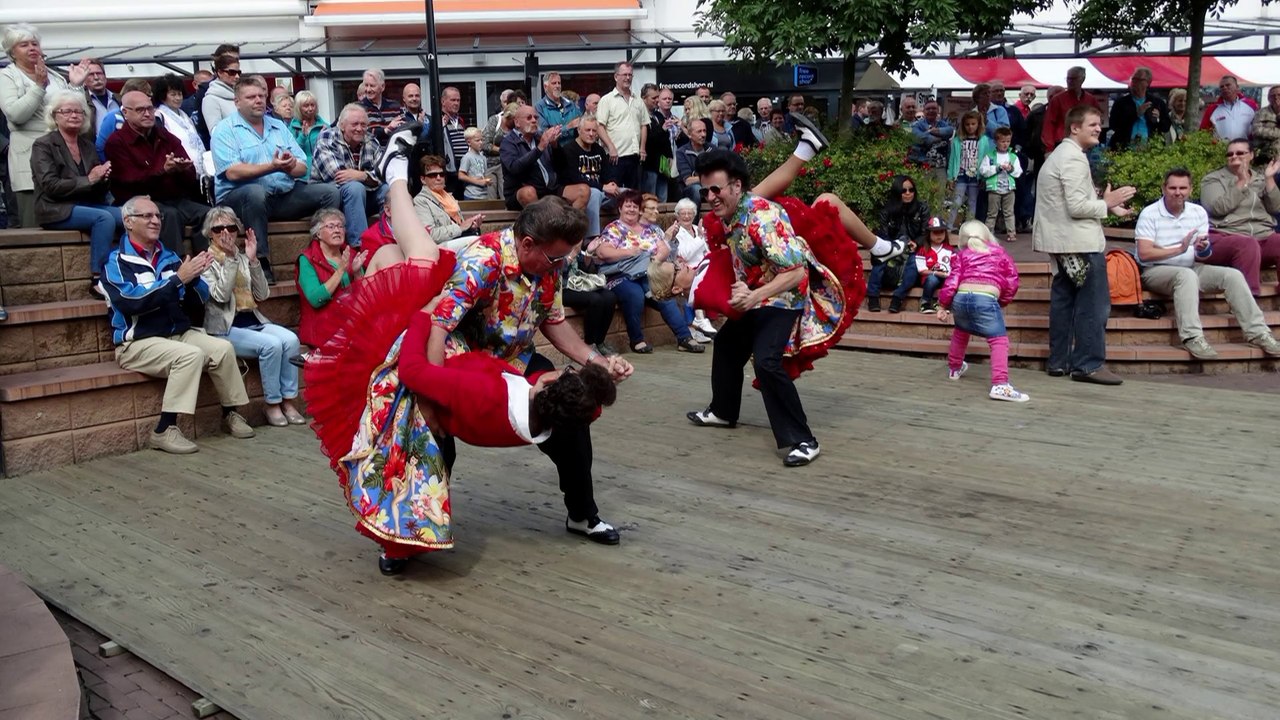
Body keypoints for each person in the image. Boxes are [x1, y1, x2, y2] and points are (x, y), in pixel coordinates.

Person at [303, 136, 627, 573]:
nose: (559, 266)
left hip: (514, 356)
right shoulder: (484, 261)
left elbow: (552, 321)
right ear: (528, 244)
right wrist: (436, 394)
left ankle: (581, 514)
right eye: (555, 259)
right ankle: (404, 535)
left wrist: (596, 361)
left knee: (572, 420)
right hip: (458, 352)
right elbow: (438, 323)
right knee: (427, 435)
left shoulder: (548, 266)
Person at [683, 145, 862, 468]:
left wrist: (753, 296)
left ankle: (803, 440)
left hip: (783, 297)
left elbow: (795, 273)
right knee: (726, 344)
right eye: (705, 190)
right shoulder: (730, 212)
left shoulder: (763, 219)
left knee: (767, 362)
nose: (710, 196)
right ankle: (723, 411)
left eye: (716, 189)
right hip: (756, 293)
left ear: (736, 186)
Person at [102, 195, 254, 454]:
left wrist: (193, 280)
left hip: (177, 334)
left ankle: (231, 413)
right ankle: (164, 429)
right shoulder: (116, 262)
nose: (155, 220)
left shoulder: (169, 256)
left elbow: (200, 299)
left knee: (222, 349)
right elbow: (131, 302)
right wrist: (176, 281)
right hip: (137, 341)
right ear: (128, 222)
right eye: (147, 216)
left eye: (157, 216)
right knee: (190, 356)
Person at [1032, 105, 1135, 384]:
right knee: (1093, 304)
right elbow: (1077, 207)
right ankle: (1088, 364)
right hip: (1080, 243)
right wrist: (1107, 203)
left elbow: (1070, 200)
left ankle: (1059, 362)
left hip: (1064, 243)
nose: (1099, 128)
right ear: (1074, 128)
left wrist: (1105, 205)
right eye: (1093, 124)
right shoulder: (1073, 158)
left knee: (1064, 300)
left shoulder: (1061, 155)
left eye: (1099, 124)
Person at [1135, 168, 1280, 360]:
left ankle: (1259, 333)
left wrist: (1202, 249)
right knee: (1186, 277)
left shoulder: (1198, 212)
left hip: (1191, 266)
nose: (1178, 192)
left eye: (1183, 188)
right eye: (1173, 188)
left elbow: (1203, 255)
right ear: (1164, 189)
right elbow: (1144, 254)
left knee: (1232, 275)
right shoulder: (1150, 213)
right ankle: (1192, 337)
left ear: (1190, 190)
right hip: (1156, 270)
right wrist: (1179, 249)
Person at [212, 76, 341, 281]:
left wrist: (290, 166)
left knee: (330, 192)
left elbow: (302, 167)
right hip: (240, 201)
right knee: (255, 192)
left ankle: (321, 256)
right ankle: (260, 261)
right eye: (251, 97)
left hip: (281, 196)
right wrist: (271, 167)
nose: (258, 100)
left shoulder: (279, 126)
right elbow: (232, 172)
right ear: (237, 102)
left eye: (262, 96)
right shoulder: (224, 130)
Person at [200, 207, 306, 426]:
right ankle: (273, 404)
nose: (225, 233)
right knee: (271, 346)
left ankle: (288, 401)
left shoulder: (241, 257)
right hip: (224, 328)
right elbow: (219, 296)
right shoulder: (205, 261)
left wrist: (253, 261)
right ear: (209, 233)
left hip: (253, 320)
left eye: (231, 227)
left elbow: (262, 295)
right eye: (218, 228)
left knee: (291, 340)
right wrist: (230, 261)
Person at [591, 188, 704, 354]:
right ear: (620, 208)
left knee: (664, 293)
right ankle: (636, 340)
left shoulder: (649, 229)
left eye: (635, 206)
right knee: (634, 295)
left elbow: (663, 249)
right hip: (621, 275)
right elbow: (603, 252)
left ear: (639, 210)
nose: (631, 209)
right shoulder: (614, 228)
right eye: (627, 206)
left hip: (648, 273)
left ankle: (684, 337)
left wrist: (652, 260)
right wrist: (631, 253)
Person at [0, 23, 91, 228]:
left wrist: (75, 86)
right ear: (11, 52)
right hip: (30, 155)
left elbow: (77, 115)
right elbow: (16, 114)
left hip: (62, 156)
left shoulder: (55, 75)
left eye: (35, 43)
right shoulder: (7, 76)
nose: (32, 48)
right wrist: (39, 87)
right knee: (34, 224)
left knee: (69, 214)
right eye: (24, 44)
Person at [32, 89, 122, 292]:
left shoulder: (87, 145)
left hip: (88, 203)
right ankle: (98, 278)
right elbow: (50, 185)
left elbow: (96, 189)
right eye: (67, 111)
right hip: (55, 207)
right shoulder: (43, 145)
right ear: (54, 116)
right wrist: (90, 178)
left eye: (79, 111)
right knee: (104, 218)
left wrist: (103, 178)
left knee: (130, 215)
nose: (74, 115)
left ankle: (127, 267)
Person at [105, 89, 211, 256]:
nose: (148, 114)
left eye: (150, 108)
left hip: (174, 198)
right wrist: (163, 171)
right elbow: (129, 181)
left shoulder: (165, 136)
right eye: (140, 110)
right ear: (125, 112)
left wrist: (182, 169)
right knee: (168, 216)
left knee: (208, 214)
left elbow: (189, 175)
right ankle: (174, 269)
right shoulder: (116, 142)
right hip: (139, 201)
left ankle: (206, 265)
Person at [936, 220, 1027, 402]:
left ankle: (954, 368)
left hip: (961, 297)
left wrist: (943, 305)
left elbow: (952, 281)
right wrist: (1002, 301)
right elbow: (1012, 280)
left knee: (961, 332)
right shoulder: (999, 253)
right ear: (986, 235)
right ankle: (1000, 384)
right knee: (998, 340)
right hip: (985, 297)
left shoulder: (961, 256)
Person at [1199, 140, 1280, 295]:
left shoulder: (1259, 179)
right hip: (1227, 236)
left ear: (1251, 155)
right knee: (1248, 244)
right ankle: (1249, 299)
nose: (1234, 156)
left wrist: (1269, 179)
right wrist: (1241, 182)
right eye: (1230, 154)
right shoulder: (1213, 179)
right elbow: (1217, 208)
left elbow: (1276, 207)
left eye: (1240, 153)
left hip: (1262, 237)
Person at [312, 103, 385, 243]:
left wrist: (361, 175)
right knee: (354, 188)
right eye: (355, 124)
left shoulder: (371, 141)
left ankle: (390, 239)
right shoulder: (327, 138)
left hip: (362, 196)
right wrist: (368, 177)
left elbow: (382, 174)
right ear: (342, 125)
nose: (360, 129)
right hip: (333, 198)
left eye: (363, 125)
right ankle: (360, 246)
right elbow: (338, 175)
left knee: (387, 191)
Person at [295, 208, 365, 349]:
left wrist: (357, 274)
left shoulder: (349, 254)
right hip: (323, 329)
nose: (337, 230)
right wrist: (340, 270)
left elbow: (365, 296)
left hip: (352, 324)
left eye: (340, 226)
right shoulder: (307, 260)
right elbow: (316, 299)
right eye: (331, 226)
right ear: (318, 233)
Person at [869, 174, 928, 313]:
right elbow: (883, 234)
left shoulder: (922, 208)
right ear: (897, 192)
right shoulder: (887, 211)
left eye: (911, 190)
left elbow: (926, 232)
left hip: (912, 248)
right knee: (879, 257)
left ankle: (898, 298)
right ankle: (872, 296)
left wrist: (916, 242)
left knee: (915, 262)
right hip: (891, 247)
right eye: (904, 190)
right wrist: (894, 247)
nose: (908, 193)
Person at [595, 61, 648, 190]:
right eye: (624, 74)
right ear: (616, 77)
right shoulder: (606, 100)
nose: (627, 78)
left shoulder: (638, 100)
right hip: (615, 156)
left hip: (635, 156)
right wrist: (611, 147)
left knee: (634, 194)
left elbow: (644, 125)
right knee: (614, 194)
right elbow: (599, 126)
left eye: (630, 75)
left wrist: (642, 148)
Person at [412, 154, 484, 248]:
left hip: (456, 241)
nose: (438, 178)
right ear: (423, 179)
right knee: (477, 242)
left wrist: (471, 226)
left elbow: (460, 227)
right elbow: (430, 235)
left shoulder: (450, 198)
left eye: (441, 174)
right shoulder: (420, 201)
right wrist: (460, 228)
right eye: (433, 175)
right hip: (438, 249)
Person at [152, 75, 207, 180]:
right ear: (162, 95)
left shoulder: (184, 115)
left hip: (195, 170)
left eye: (180, 94)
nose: (178, 98)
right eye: (173, 94)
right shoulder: (159, 117)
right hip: (178, 172)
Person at [947, 110, 991, 231]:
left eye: (973, 124)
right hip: (960, 174)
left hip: (975, 176)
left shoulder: (983, 140)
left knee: (973, 202)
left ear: (978, 124)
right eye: (967, 124)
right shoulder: (957, 140)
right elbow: (953, 159)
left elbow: (986, 159)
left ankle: (969, 226)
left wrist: (984, 177)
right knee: (957, 201)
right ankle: (949, 226)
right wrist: (950, 177)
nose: (970, 127)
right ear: (963, 125)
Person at [1107, 67, 1170, 150]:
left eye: (1138, 79)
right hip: (1124, 148)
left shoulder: (1157, 102)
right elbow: (1113, 125)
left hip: (1151, 149)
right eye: (1133, 79)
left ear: (1147, 83)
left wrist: (1159, 119)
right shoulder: (1121, 102)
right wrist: (1136, 114)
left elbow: (1166, 127)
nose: (1134, 82)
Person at [979, 126, 1022, 244]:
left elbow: (1018, 172)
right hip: (994, 189)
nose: (1005, 144)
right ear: (996, 142)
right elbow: (983, 170)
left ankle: (1011, 233)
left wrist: (1010, 169)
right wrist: (997, 168)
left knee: (1009, 212)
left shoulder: (1013, 157)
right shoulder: (990, 156)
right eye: (1002, 141)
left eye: (1008, 141)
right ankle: (988, 234)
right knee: (992, 213)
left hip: (1009, 189)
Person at [1041, 66, 1099, 154]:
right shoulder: (1058, 99)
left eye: (1073, 79)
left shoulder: (1090, 99)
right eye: (1068, 78)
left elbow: (1097, 121)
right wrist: (1049, 148)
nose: (1069, 82)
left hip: (1085, 145)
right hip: (1062, 143)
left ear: (1082, 79)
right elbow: (1049, 123)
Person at [1200, 75, 1257, 141]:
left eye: (1228, 85)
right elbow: (1202, 133)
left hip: (1245, 148)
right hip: (1221, 149)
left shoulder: (1251, 105)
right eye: (1222, 86)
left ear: (1237, 87)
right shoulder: (1212, 109)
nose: (1224, 88)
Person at [915, 217, 953, 313]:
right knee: (932, 279)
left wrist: (948, 274)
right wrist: (937, 273)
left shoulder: (950, 250)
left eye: (941, 232)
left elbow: (955, 266)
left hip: (946, 277)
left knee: (952, 281)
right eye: (935, 232)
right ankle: (925, 303)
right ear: (929, 234)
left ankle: (942, 305)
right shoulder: (923, 250)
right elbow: (922, 270)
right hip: (930, 278)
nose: (939, 235)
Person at [200, 54, 240, 138]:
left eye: (238, 72)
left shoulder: (240, 94)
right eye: (232, 72)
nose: (237, 76)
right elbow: (215, 132)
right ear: (220, 72)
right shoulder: (210, 99)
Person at [289, 90, 328, 169]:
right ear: (298, 108)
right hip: (302, 173)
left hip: (322, 171)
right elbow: (292, 152)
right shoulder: (292, 128)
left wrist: (323, 139)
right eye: (306, 106)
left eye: (312, 105)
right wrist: (302, 137)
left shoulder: (325, 126)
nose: (310, 109)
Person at [457, 127, 492, 200]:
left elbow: (483, 175)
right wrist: (477, 182)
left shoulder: (483, 158)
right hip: (471, 195)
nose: (481, 142)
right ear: (469, 142)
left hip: (484, 195)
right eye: (477, 140)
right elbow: (461, 175)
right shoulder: (467, 157)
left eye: (482, 140)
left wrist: (486, 181)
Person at [1250, 86, 1280, 160]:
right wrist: (1277, 132)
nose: (1276, 97)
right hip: (1266, 155)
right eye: (1273, 96)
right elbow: (1256, 131)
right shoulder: (1261, 113)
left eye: (1279, 94)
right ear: (1269, 98)